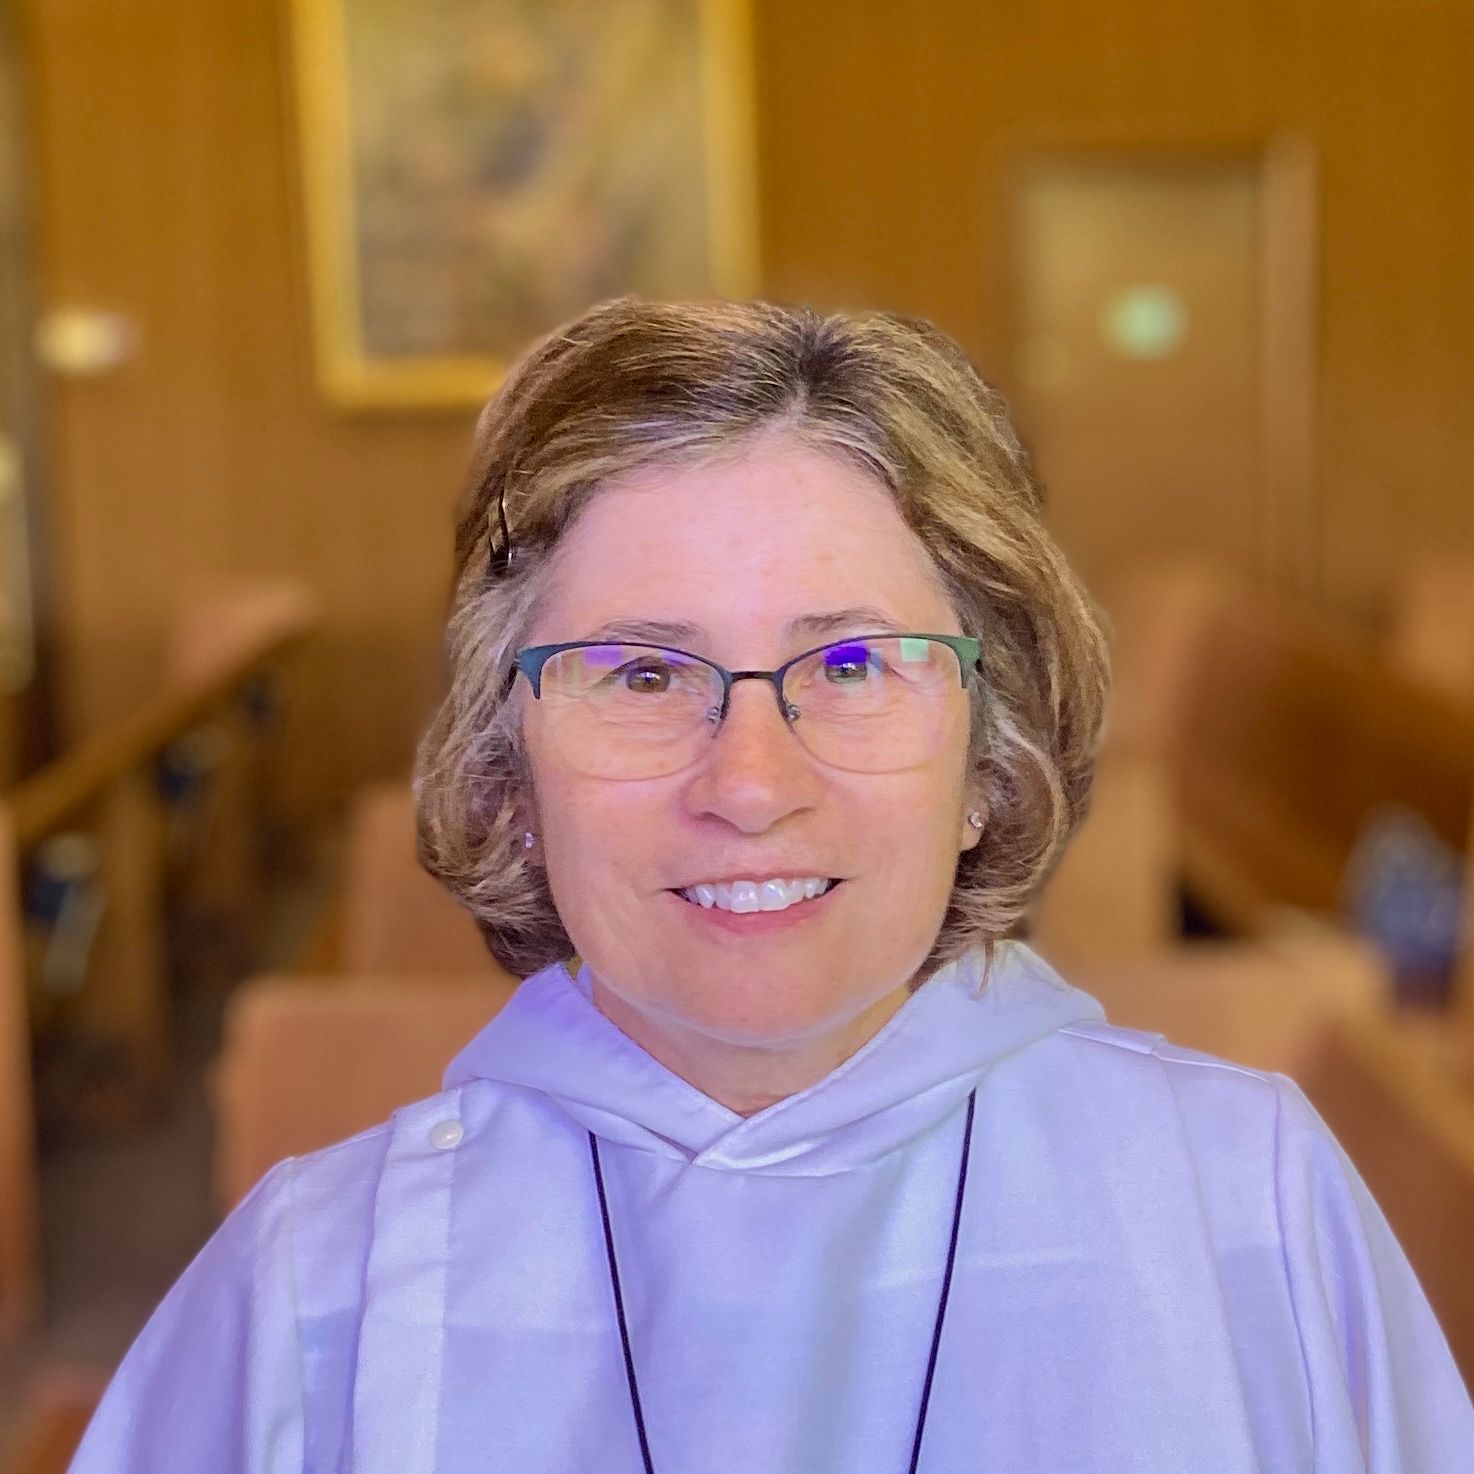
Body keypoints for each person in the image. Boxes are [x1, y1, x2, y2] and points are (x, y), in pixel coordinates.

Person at [68, 299, 1473, 1472]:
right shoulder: (320, 1285)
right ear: (511, 772)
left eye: (852, 665)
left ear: (991, 755)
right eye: (641, 671)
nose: (748, 782)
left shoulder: (1250, 1201)